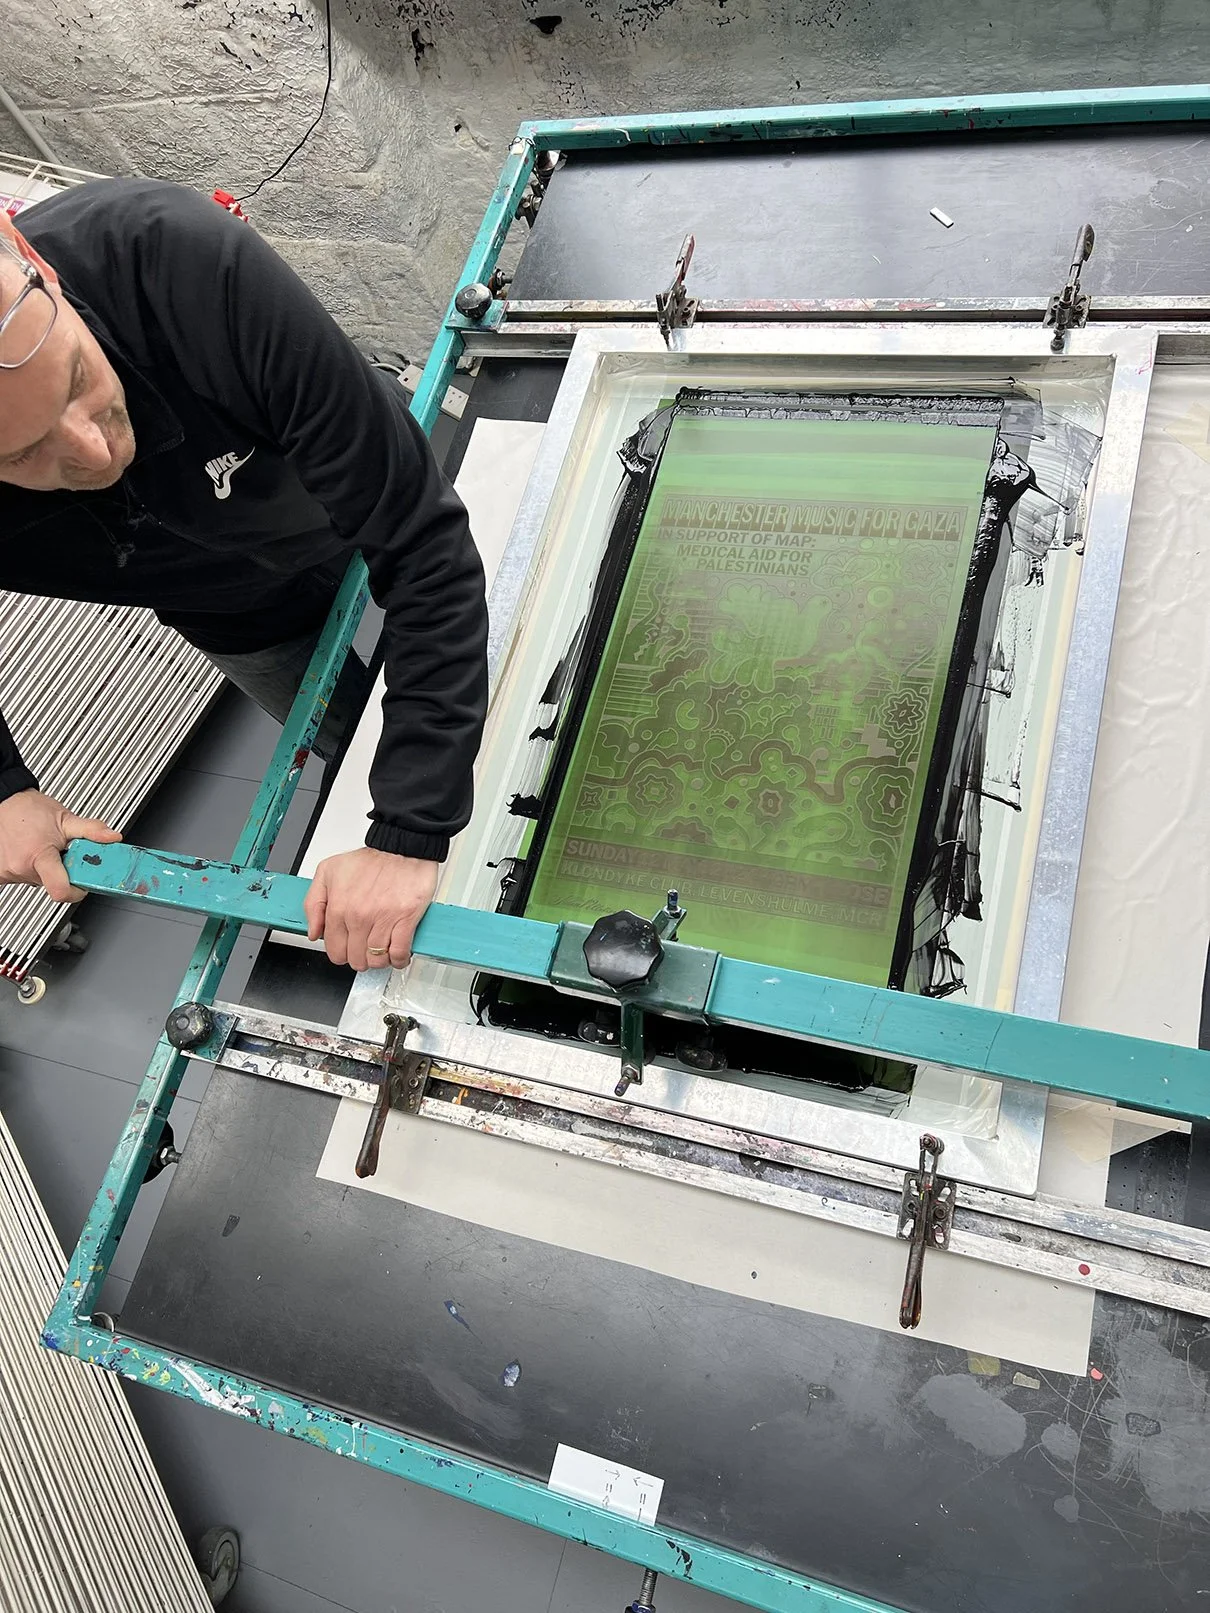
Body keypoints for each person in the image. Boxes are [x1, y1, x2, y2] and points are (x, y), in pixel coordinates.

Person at [0, 178, 487, 971]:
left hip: (359, 492)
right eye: (24, 455)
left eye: (77, 380)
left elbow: (422, 541)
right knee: (352, 738)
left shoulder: (174, 256)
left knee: (512, 663)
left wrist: (409, 827)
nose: (93, 450)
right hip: (238, 616)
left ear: (34, 263)